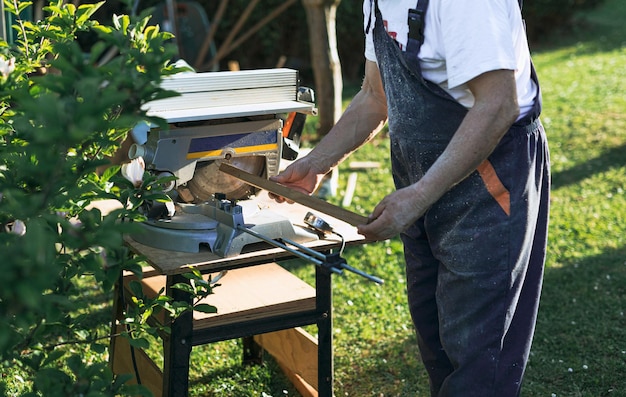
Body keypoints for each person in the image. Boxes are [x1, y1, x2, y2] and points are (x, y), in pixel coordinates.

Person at [270, 0, 550, 395]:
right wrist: (316, 162)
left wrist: (419, 195)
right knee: (436, 340)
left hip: (490, 181)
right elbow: (375, 95)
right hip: (422, 183)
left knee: (479, 360)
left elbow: (498, 103)